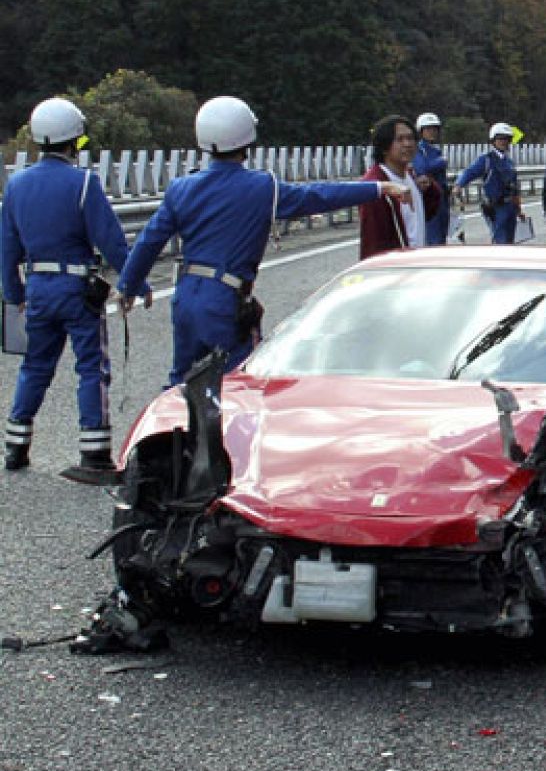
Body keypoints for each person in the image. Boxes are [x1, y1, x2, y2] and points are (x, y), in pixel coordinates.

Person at [115, 96, 408, 387]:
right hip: (226, 297)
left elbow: (149, 241)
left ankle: (172, 432)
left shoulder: (181, 187)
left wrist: (129, 285)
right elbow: (318, 196)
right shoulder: (261, 187)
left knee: (181, 383)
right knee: (238, 385)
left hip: (187, 294)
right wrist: (377, 188)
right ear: (248, 140)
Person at [1, 98, 151, 482]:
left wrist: (14, 294)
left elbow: (7, 248)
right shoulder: (83, 183)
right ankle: (94, 450)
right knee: (90, 367)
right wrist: (135, 280)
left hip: (37, 287)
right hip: (76, 287)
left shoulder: (16, 185)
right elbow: (111, 240)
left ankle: (16, 444)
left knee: (35, 365)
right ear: (73, 141)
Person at [359, 115, 438, 259]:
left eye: (411, 138)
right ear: (384, 147)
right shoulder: (375, 186)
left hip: (418, 262)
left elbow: (429, 213)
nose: (407, 144)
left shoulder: (412, 177)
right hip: (395, 269)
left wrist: (430, 189)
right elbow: (374, 241)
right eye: (400, 139)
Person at [455, 123, 521, 244]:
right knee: (500, 240)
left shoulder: (510, 162)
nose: (503, 142)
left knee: (510, 241)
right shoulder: (486, 160)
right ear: (493, 141)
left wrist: (519, 209)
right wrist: (459, 184)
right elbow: (470, 171)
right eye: (500, 138)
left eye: (506, 139)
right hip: (495, 207)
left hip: (510, 207)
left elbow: (515, 188)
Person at [413, 112, 452, 245]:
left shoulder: (436, 149)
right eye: (428, 129)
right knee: (433, 236)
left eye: (434, 129)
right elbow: (422, 169)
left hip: (442, 197)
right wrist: (441, 162)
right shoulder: (419, 149)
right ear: (421, 131)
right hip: (430, 197)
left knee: (442, 235)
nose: (432, 132)